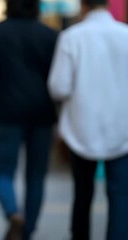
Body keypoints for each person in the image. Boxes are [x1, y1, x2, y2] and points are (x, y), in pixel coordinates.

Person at [0, 0, 58, 239]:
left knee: (2, 170)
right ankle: (28, 230)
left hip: (6, 111)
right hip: (43, 113)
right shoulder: (50, 35)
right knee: (36, 176)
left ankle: (13, 214)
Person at [47, 0, 128, 239]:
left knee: (82, 194)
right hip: (122, 128)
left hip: (80, 127)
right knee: (121, 195)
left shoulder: (72, 37)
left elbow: (59, 87)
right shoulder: (125, 35)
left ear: (83, 6)